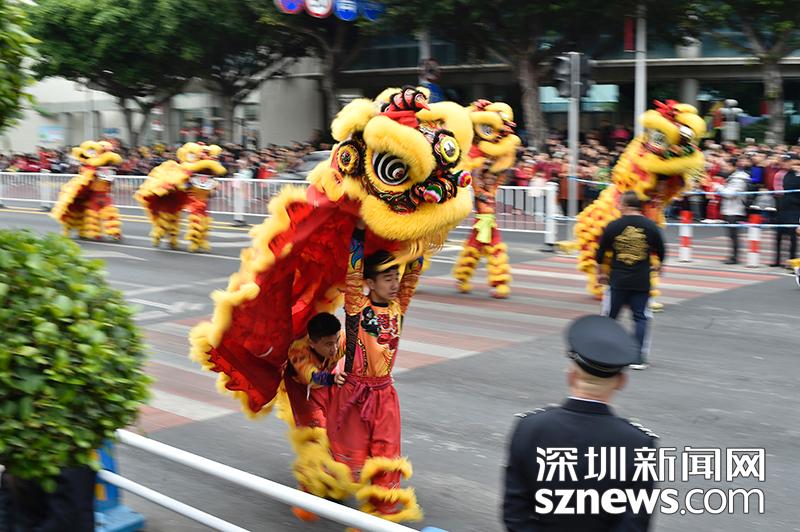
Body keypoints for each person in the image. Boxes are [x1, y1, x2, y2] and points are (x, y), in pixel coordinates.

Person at [503, 315, 658, 532]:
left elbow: (515, 513)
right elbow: (635, 524)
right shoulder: (640, 443)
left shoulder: (529, 428)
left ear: (571, 375)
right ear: (622, 382)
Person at [326, 221, 423, 523]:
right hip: (353, 393)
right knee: (347, 455)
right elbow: (352, 272)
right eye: (387, 278)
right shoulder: (357, 308)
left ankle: (382, 512)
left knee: (387, 452)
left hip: (384, 394)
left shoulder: (398, 307)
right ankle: (331, 490)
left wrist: (424, 230)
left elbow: (414, 272)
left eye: (396, 278)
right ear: (370, 282)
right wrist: (358, 232)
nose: (394, 284)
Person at [283, 312, 349, 521]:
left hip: (329, 385)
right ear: (312, 342)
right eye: (328, 344)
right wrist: (333, 379)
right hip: (303, 391)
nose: (334, 348)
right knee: (316, 438)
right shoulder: (298, 351)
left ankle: (331, 483)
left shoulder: (340, 341)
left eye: (336, 341)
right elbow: (311, 376)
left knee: (339, 431)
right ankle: (307, 493)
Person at [595, 192, 665, 369]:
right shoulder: (650, 225)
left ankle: (604, 353)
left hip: (618, 280)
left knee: (610, 317)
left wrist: (600, 273)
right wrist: (659, 265)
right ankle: (637, 357)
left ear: (624, 205)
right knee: (640, 317)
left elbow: (600, 253)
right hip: (641, 280)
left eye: (619, 204)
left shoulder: (613, 226)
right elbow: (661, 249)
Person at [714, 161, 751, 264]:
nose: (724, 168)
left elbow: (730, 194)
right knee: (731, 235)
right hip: (730, 209)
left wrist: (718, 187)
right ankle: (733, 256)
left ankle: (735, 257)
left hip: (734, 210)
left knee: (734, 235)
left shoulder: (739, 179)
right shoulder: (733, 177)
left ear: (733, 166)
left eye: (726, 166)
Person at [773, 155, 800, 267]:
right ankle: (777, 260)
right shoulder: (787, 174)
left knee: (793, 237)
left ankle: (792, 261)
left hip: (794, 210)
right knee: (778, 236)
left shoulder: (797, 175)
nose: (787, 164)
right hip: (783, 209)